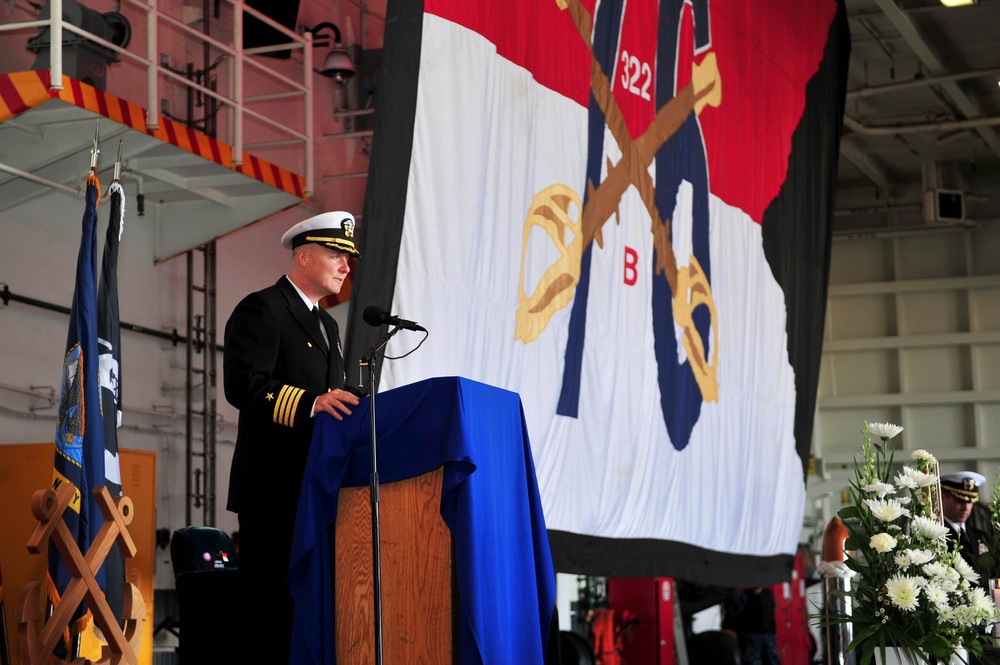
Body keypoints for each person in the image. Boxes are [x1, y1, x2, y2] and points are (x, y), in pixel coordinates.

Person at [224, 211, 362, 664]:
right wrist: (311, 402)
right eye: (338, 255)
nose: (346, 266)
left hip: (317, 487)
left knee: (311, 606)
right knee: (272, 609)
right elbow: (243, 384)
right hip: (273, 487)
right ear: (304, 256)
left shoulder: (328, 326)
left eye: (348, 259)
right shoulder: (263, 308)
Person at [940, 471, 989, 582]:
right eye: (959, 501)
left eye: (970, 502)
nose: (965, 507)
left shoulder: (981, 536)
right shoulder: (938, 537)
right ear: (943, 498)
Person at [722, 586, 782, 665]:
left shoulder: (768, 595)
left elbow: (773, 608)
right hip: (752, 634)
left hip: (767, 634)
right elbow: (736, 613)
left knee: (772, 660)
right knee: (752, 660)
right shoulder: (745, 596)